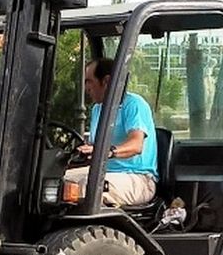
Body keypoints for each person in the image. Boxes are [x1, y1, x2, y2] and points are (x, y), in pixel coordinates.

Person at [64, 58, 158, 206]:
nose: (85, 87)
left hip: (137, 179)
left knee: (81, 188)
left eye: (89, 81)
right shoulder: (98, 109)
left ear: (106, 81)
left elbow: (136, 145)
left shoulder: (133, 104)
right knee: (53, 182)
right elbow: (94, 149)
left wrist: (108, 151)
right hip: (103, 172)